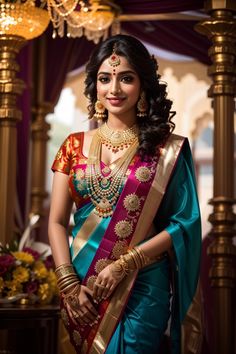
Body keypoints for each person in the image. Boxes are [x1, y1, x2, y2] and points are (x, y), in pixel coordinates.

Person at [48, 34, 202, 354]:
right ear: (95, 86)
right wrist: (68, 283)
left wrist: (126, 263)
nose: (114, 89)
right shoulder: (73, 146)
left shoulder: (167, 151)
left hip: (142, 284)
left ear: (143, 85)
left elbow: (184, 222)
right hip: (81, 285)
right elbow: (58, 221)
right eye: (105, 79)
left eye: (126, 79)